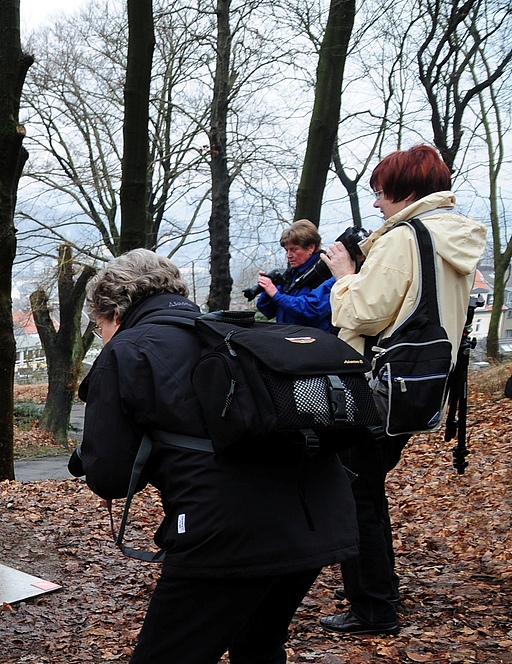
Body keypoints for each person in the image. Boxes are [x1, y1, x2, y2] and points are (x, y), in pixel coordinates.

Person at [69, 248, 359, 664]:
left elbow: (109, 476)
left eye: (99, 326)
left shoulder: (127, 351)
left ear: (113, 311)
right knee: (257, 645)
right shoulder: (225, 331)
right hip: (320, 514)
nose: (102, 335)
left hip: (227, 533)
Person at [319, 144, 487, 636]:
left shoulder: (404, 238)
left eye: (379, 193)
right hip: (421, 386)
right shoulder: (449, 236)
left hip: (377, 385)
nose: (375, 205)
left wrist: (345, 278)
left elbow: (363, 313)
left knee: (356, 492)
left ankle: (373, 608)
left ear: (404, 190)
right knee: (366, 486)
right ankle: (378, 592)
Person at [255, 219, 335, 331]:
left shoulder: (327, 272)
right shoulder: (290, 274)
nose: (288, 255)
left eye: (294, 250)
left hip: (313, 343)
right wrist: (266, 289)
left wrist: (275, 294)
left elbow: (312, 310)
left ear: (311, 248)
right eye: (286, 250)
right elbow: (267, 310)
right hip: (287, 339)